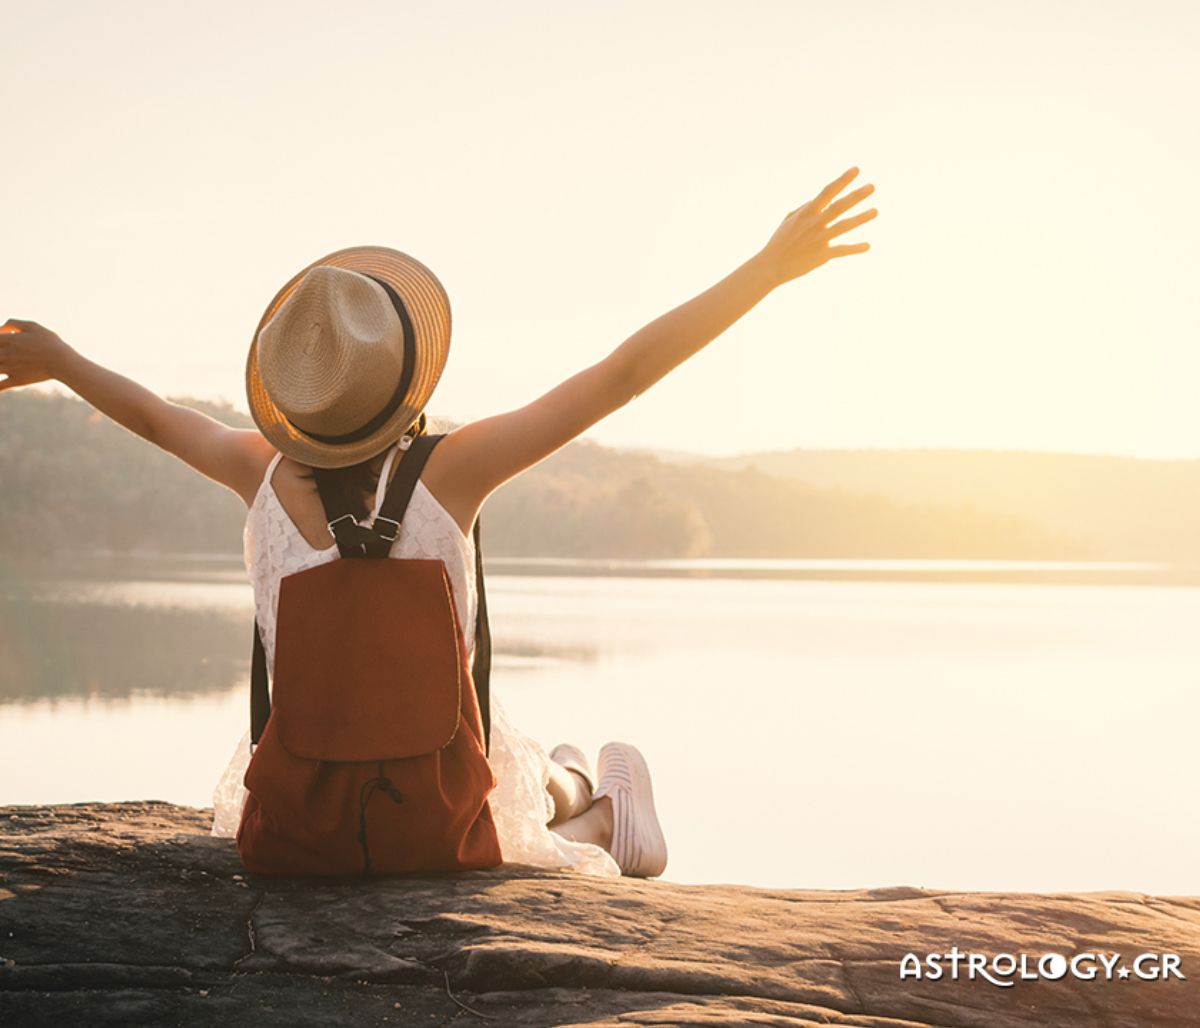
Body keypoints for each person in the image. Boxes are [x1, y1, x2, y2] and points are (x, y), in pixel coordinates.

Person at [0, 165, 876, 878]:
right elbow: (622, 375)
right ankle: (600, 807)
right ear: (402, 379)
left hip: (303, 827)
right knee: (514, 781)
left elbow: (155, 420)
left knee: (513, 764)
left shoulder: (251, 469)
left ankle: (582, 783)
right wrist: (766, 268)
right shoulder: (454, 470)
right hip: (438, 817)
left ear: (293, 400)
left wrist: (63, 359)